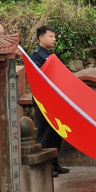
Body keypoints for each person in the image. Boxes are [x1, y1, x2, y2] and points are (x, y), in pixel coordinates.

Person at [29, 25, 70, 177]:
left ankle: (55, 164)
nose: (54, 39)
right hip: (44, 102)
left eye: (54, 36)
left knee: (56, 133)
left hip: (56, 101)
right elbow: (38, 78)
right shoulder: (35, 56)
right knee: (45, 133)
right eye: (51, 36)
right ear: (41, 38)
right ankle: (46, 167)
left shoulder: (51, 54)